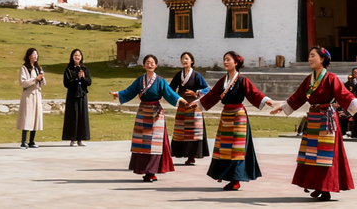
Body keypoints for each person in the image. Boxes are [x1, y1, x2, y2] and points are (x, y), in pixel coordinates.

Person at [270, 46, 357, 202]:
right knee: (312, 153)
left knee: (326, 155)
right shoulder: (309, 80)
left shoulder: (331, 78)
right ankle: (317, 184)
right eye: (309, 56)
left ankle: (326, 187)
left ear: (322, 59)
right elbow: (298, 96)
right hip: (313, 119)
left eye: (313, 56)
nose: (310, 59)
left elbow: (343, 94)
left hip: (327, 119)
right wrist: (282, 107)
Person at [191, 51, 275, 191]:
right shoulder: (222, 81)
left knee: (237, 149)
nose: (225, 62)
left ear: (236, 63)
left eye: (228, 60)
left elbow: (253, 93)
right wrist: (198, 103)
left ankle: (236, 179)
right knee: (224, 147)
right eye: (224, 59)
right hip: (226, 116)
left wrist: (265, 100)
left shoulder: (242, 80)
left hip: (238, 116)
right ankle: (225, 174)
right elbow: (212, 95)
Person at [111, 54, 187, 182]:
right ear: (143, 65)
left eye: (152, 63)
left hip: (156, 113)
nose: (150, 64)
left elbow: (169, 93)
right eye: (147, 62)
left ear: (156, 65)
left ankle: (151, 172)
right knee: (143, 142)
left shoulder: (160, 81)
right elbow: (129, 91)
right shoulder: (140, 80)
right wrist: (118, 94)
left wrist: (180, 100)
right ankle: (143, 169)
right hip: (143, 112)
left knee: (155, 143)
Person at [169, 51, 210, 165]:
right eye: (183, 58)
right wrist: (177, 98)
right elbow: (170, 89)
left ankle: (191, 156)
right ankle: (181, 153)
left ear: (192, 61)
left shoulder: (197, 75)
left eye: (187, 58)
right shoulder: (179, 75)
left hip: (193, 107)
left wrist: (195, 93)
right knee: (181, 131)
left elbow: (207, 90)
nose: (184, 60)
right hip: (182, 107)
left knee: (192, 132)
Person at [62, 48, 91, 147]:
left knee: (82, 116)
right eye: (75, 55)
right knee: (73, 116)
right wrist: (76, 78)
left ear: (81, 57)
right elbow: (66, 83)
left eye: (79, 55)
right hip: (72, 95)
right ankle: (73, 139)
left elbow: (89, 82)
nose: (77, 57)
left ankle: (80, 139)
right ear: (72, 57)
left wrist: (83, 78)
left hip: (82, 95)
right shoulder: (69, 69)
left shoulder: (84, 69)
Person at [17, 48, 45, 148]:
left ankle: (32, 141)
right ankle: (23, 141)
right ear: (29, 56)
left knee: (36, 117)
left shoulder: (38, 68)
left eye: (36, 54)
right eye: (33, 54)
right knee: (27, 117)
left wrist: (41, 77)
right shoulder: (24, 68)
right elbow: (23, 83)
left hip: (37, 94)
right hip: (28, 95)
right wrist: (35, 79)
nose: (35, 56)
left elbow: (44, 83)